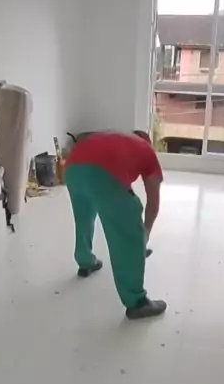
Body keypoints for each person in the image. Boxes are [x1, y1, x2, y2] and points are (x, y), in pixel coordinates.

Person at [63, 130, 167, 320]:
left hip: (72, 168)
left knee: (83, 216)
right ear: (148, 143)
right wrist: (144, 234)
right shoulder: (147, 151)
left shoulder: (117, 138)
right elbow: (153, 201)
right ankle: (137, 302)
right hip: (103, 172)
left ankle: (85, 261)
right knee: (128, 231)